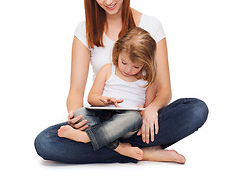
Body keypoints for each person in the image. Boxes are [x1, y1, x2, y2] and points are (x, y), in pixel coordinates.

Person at [34, 0, 208, 164]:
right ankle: (142, 151)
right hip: (99, 119)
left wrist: (151, 109)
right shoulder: (84, 31)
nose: (108, 1)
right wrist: (75, 115)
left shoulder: (151, 26)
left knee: (196, 109)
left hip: (139, 120)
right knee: (45, 142)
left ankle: (107, 145)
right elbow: (76, 93)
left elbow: (164, 90)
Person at [58, 27, 167, 161]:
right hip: (103, 117)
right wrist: (103, 100)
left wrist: (142, 113)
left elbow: (147, 109)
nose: (128, 70)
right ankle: (119, 148)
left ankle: (86, 137)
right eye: (124, 63)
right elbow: (91, 97)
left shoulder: (147, 80)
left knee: (134, 118)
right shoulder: (107, 70)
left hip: (125, 124)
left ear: (146, 63)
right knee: (80, 113)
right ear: (118, 51)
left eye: (136, 67)